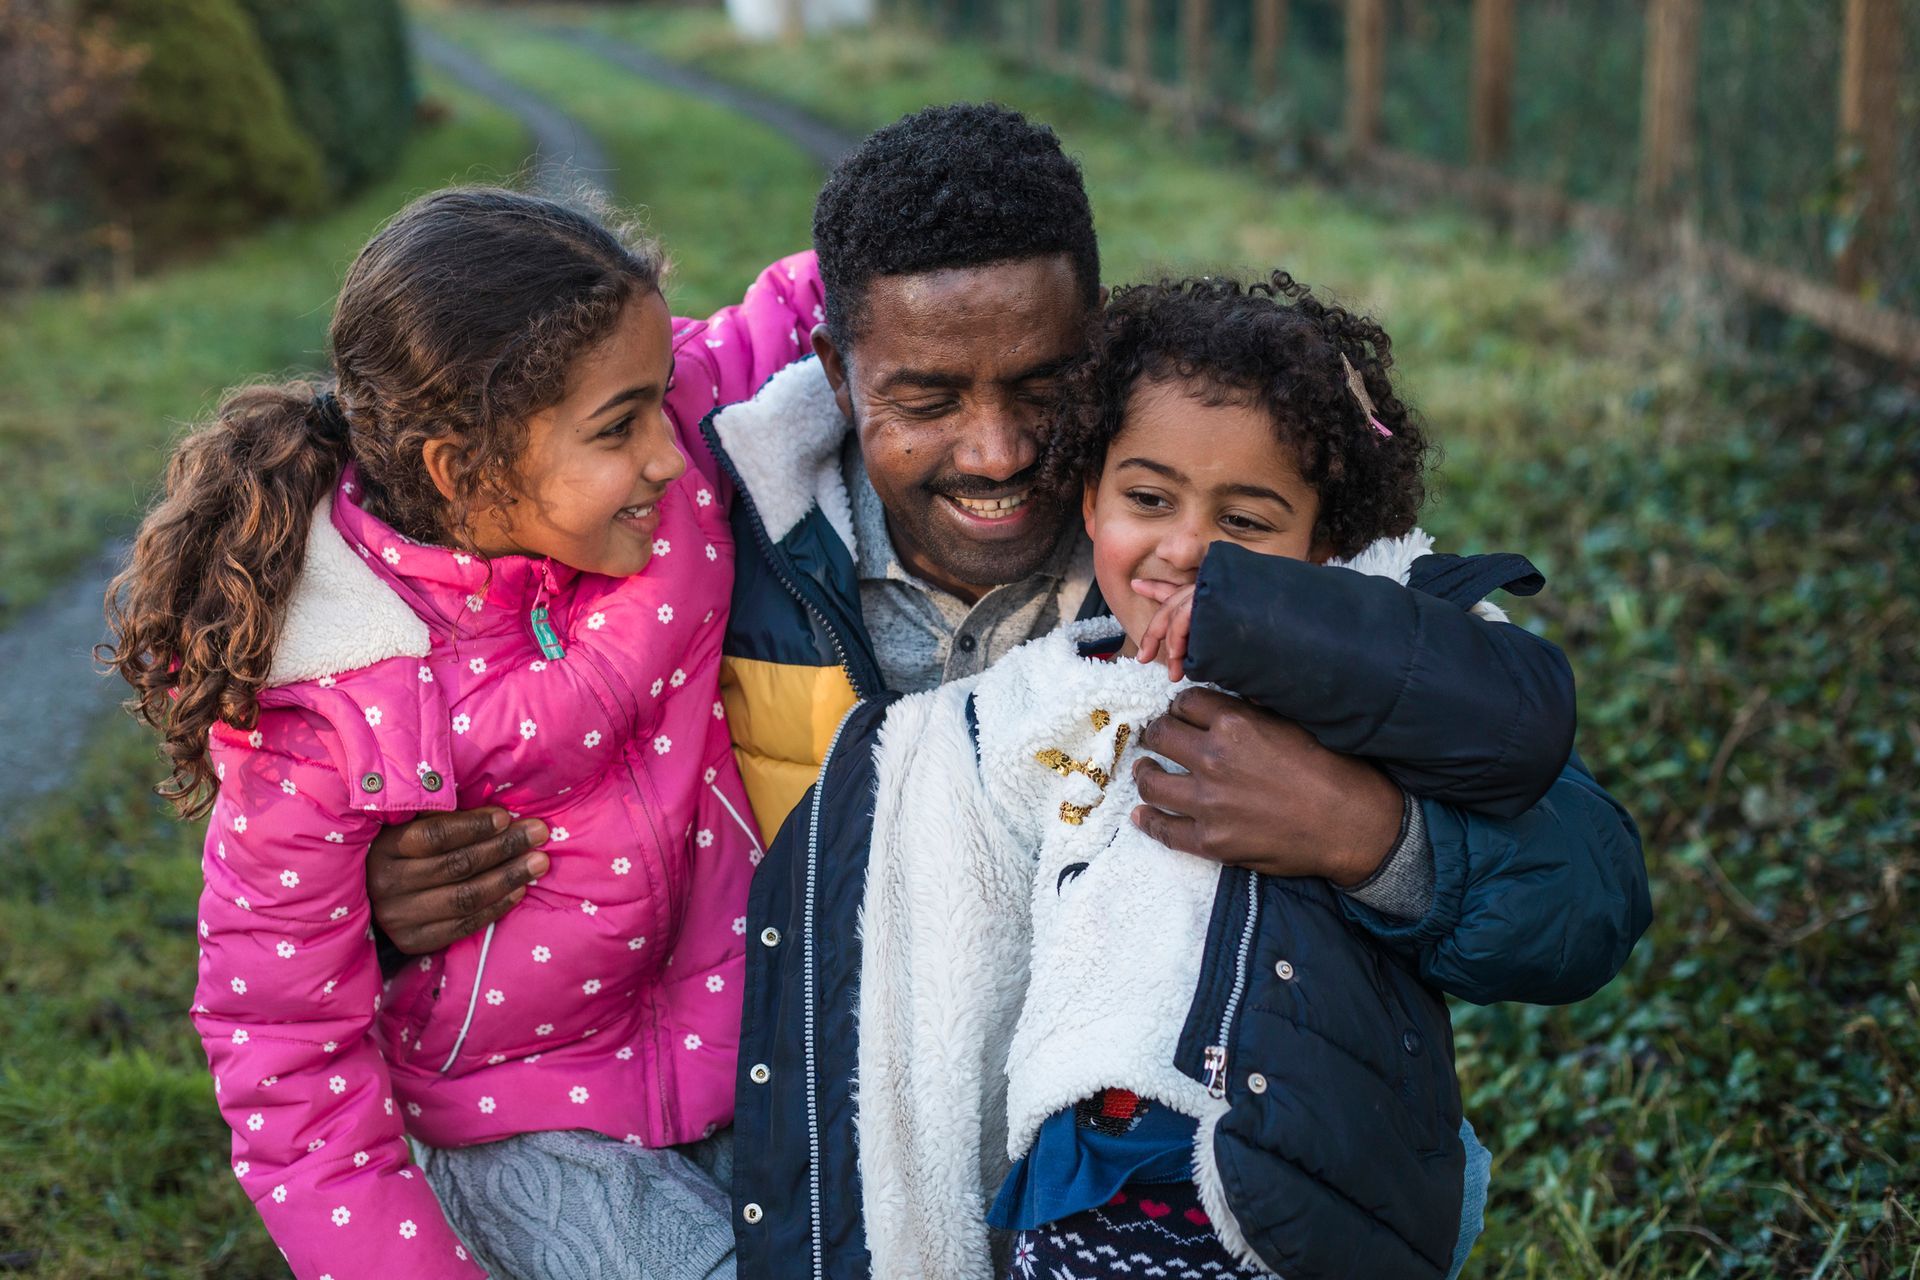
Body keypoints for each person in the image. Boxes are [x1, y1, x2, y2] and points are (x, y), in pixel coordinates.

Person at [360, 106, 1650, 1276]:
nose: (996, 452)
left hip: (1149, 1175)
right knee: (504, 1158)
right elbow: (428, 678)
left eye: (1044, 387)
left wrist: (1372, 833)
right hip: (808, 1157)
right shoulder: (707, 547)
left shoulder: (1227, 539)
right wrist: (385, 896)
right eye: (925, 398)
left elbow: (1586, 889)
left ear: (1103, 338)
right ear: (834, 361)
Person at [101, 188, 825, 1280]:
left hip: (755, 1049)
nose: (671, 456)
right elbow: (287, 1065)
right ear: (459, 469)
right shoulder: (324, 713)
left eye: (655, 404)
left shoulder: (640, 438)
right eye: (619, 429)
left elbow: (797, 305)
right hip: (519, 1120)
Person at [855, 269, 1567, 1280]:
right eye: (1149, 498)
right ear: (1090, 494)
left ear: (1326, 545)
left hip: (1281, 1189)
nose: (1187, 547)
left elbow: (1518, 715)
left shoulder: (1375, 674)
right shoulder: (1050, 693)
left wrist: (1280, 635)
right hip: (1077, 1187)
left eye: (1246, 523)